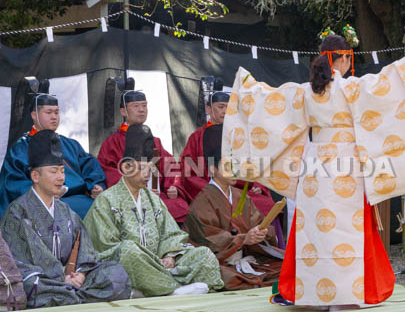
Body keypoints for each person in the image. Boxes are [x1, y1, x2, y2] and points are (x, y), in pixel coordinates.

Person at [223, 32, 405, 307]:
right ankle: (349, 292)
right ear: (340, 59)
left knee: (315, 231)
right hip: (347, 167)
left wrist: (247, 88)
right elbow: (393, 83)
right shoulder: (352, 89)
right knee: (346, 231)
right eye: (347, 58)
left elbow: (269, 105)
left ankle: (313, 293)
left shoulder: (305, 91)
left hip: (314, 167)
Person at [84, 124, 223, 297]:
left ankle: (156, 285)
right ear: (126, 168)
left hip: (161, 263)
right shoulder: (106, 200)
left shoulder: (153, 200)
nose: (147, 174)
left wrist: (169, 256)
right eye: (141, 168)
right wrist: (149, 260)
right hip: (127, 265)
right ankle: (171, 288)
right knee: (129, 250)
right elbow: (105, 248)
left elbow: (171, 234)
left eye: (150, 169)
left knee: (203, 254)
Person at [0, 130, 131, 308]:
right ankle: (76, 295)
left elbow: (85, 251)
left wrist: (80, 273)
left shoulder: (66, 211)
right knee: (31, 285)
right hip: (41, 279)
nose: (61, 177)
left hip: (70, 279)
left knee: (116, 274)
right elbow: (21, 262)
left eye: (62, 171)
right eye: (54, 171)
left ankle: (70, 295)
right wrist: (62, 276)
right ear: (35, 176)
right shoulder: (17, 212)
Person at [184, 125, 283, 290]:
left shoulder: (239, 195)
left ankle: (250, 279)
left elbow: (257, 222)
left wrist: (261, 232)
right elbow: (210, 241)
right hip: (222, 262)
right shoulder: (202, 201)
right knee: (224, 276)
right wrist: (244, 238)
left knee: (286, 265)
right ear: (213, 169)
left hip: (247, 257)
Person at [0, 90, 105, 219]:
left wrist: (96, 185)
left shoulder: (70, 144)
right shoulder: (21, 148)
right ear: (34, 115)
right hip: (45, 205)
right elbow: (12, 183)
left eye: (56, 112)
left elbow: (90, 166)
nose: (54, 117)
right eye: (48, 112)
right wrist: (43, 192)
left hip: (82, 199)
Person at [180, 88, 276, 217]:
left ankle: (263, 237)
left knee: (265, 204)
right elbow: (188, 173)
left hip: (238, 188)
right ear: (209, 110)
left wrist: (257, 185)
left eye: (228, 107)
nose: (225, 111)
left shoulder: (238, 135)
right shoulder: (197, 137)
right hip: (210, 188)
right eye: (220, 107)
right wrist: (212, 189)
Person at [97, 89, 189, 222]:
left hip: (156, 195)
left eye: (144, 105)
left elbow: (170, 166)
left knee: (180, 206)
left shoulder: (155, 141)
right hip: (130, 196)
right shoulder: (112, 142)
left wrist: (174, 187)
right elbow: (109, 171)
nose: (142, 110)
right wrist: (138, 189)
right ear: (123, 111)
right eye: (136, 106)